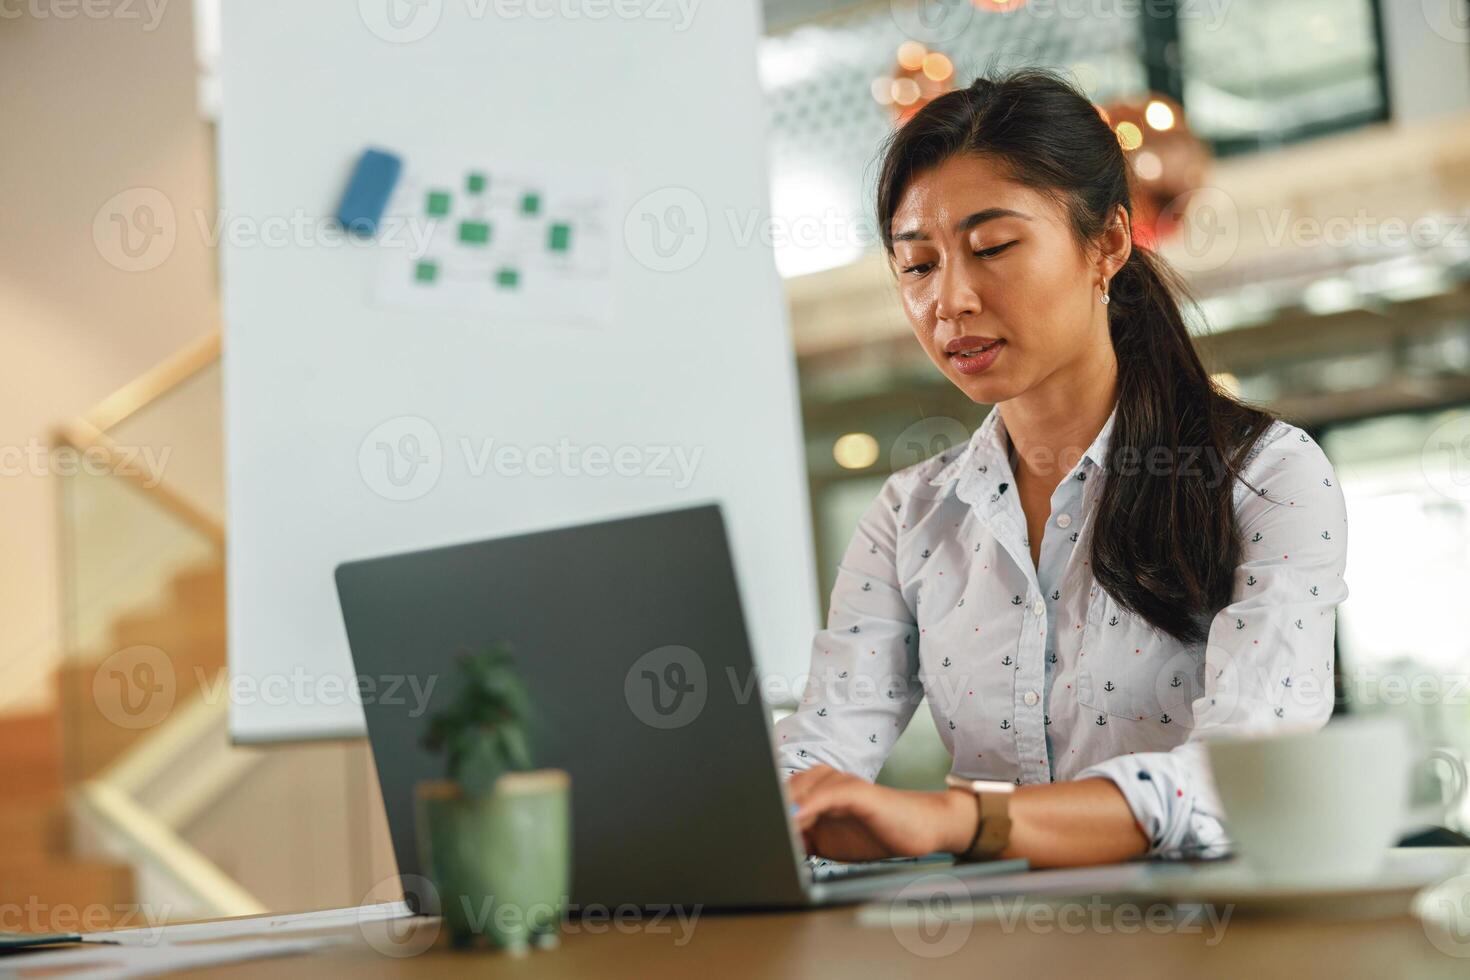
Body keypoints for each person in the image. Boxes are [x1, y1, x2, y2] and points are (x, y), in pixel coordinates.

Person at [777, 69, 1348, 869]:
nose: (951, 301)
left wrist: (961, 820)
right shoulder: (912, 513)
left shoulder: (1266, 476)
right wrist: (773, 806)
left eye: (993, 248)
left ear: (1108, 242)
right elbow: (824, 743)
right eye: (916, 265)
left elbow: (1242, 775)